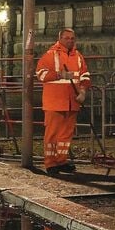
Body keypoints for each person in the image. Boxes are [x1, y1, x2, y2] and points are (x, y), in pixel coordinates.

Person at [35, 28, 91, 175]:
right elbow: (40, 74)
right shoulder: (50, 55)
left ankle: (61, 160)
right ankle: (50, 163)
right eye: (67, 38)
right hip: (55, 101)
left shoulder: (78, 56)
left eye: (72, 38)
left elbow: (85, 75)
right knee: (52, 134)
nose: (70, 41)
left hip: (72, 102)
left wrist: (83, 91)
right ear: (60, 39)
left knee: (66, 135)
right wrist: (59, 74)